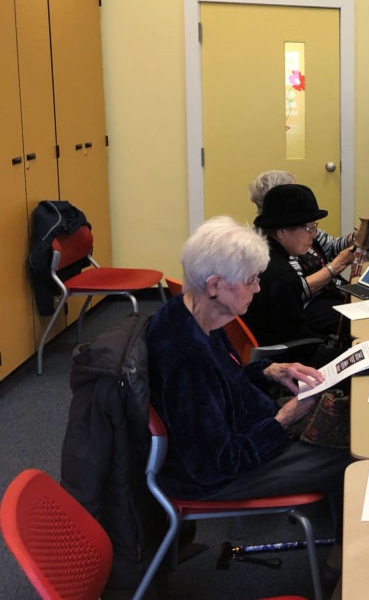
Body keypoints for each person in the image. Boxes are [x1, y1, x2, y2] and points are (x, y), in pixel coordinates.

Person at [146, 216, 348, 503]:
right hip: (218, 477)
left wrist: (270, 371)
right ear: (215, 285)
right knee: (353, 458)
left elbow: (225, 383)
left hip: (247, 427)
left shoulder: (196, 312)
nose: (257, 289)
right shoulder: (187, 357)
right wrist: (284, 419)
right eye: (251, 280)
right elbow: (216, 465)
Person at [244, 183, 355, 352]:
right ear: (281, 232)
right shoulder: (282, 275)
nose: (314, 234)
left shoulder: (264, 254)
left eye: (314, 227)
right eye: (308, 228)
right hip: (291, 362)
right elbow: (297, 343)